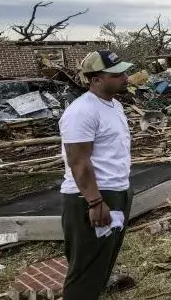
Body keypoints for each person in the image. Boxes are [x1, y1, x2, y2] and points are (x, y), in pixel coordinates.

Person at [60, 50, 135, 300]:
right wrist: (94, 201)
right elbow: (78, 161)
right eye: (117, 74)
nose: (125, 77)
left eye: (124, 72)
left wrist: (122, 192)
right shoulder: (81, 111)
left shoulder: (114, 105)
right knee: (85, 269)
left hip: (117, 192)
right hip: (92, 197)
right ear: (95, 80)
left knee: (103, 260)